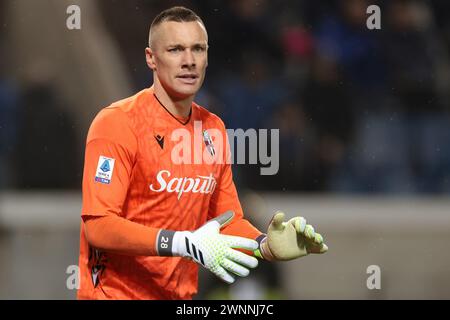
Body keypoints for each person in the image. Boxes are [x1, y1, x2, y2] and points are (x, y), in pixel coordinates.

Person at [77, 6, 328, 300]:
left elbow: (227, 220)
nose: (188, 61)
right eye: (175, 49)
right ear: (151, 58)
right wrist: (181, 242)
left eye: (198, 49)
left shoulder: (212, 129)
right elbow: (99, 226)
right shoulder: (116, 123)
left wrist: (264, 245)